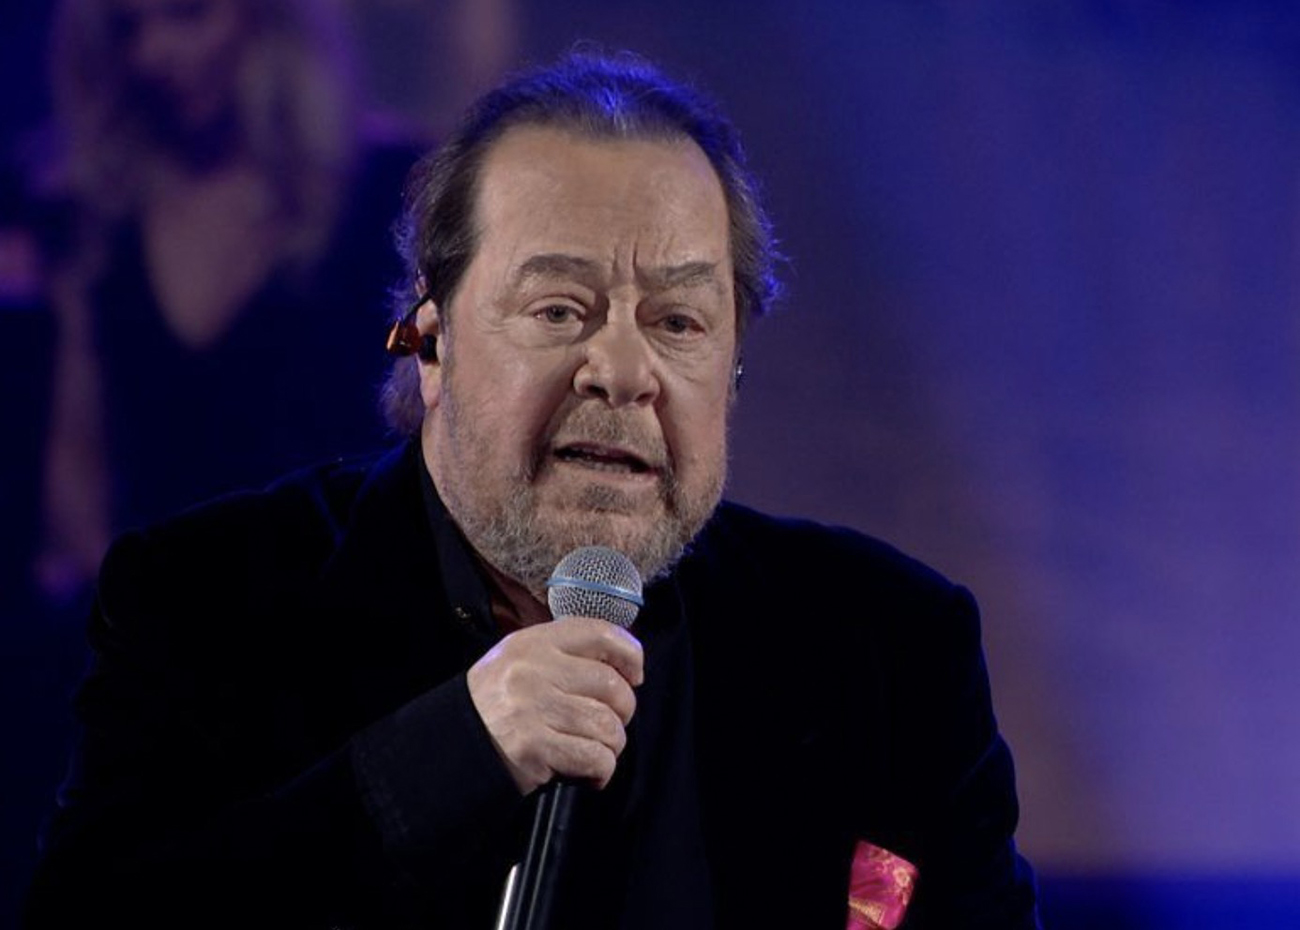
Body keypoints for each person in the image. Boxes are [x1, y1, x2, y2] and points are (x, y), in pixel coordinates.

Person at [24, 52, 1041, 929]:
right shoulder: (205, 602)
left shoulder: (890, 648)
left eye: (679, 323)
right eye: (560, 309)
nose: (624, 372)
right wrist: (447, 757)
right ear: (430, 345)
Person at [36, 0, 422, 599]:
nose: (152, 54)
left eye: (187, 14)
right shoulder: (97, 219)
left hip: (356, 609)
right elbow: (76, 453)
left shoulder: (391, 190)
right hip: (158, 620)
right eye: (127, 28)